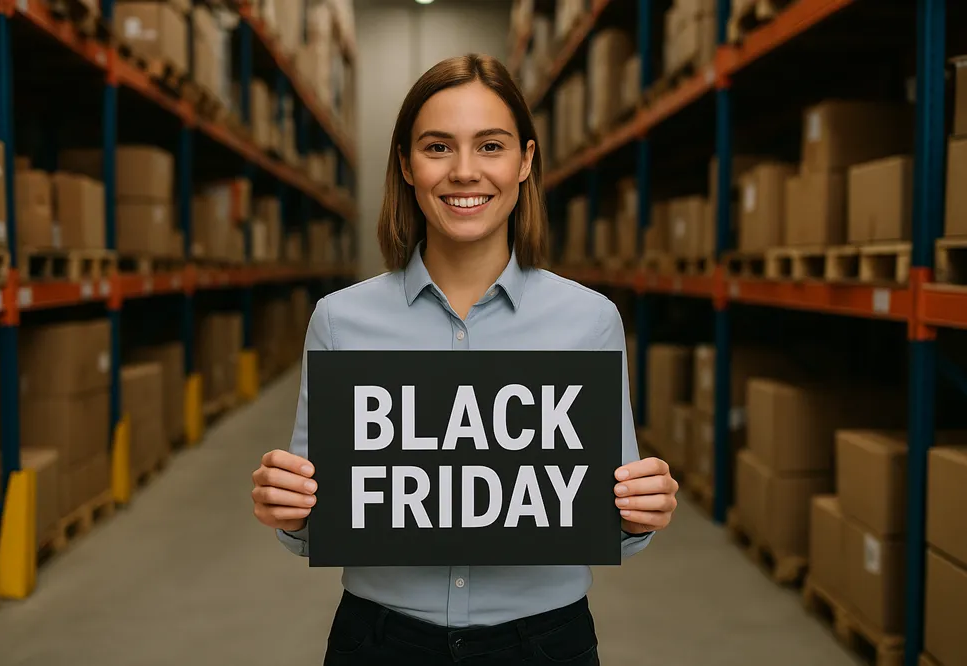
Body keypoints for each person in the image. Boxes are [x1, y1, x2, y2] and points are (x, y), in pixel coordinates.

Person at [251, 53, 679, 665]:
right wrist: (287, 509)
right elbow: (319, 520)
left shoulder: (589, 320)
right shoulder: (341, 320)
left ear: (525, 161)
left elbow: (606, 520)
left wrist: (640, 514)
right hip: (380, 641)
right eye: (437, 147)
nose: (464, 171)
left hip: (544, 643)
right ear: (405, 164)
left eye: (491, 146)